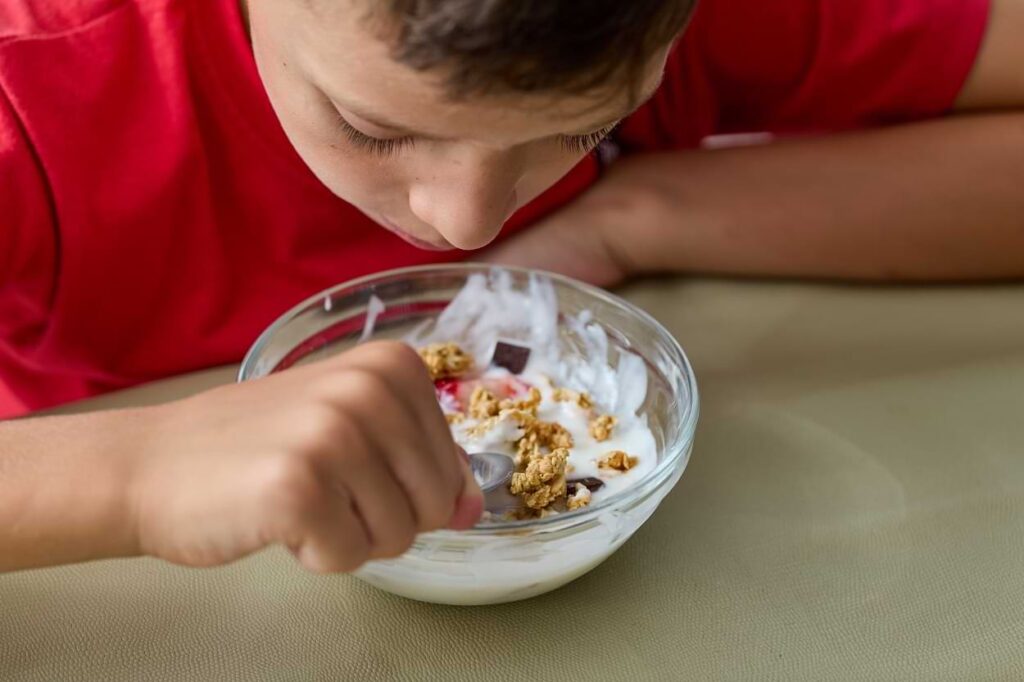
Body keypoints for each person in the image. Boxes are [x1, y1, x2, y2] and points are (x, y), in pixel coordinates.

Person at [0, 0, 1021, 573]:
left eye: (575, 132)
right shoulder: (32, 89)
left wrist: (644, 208)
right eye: (371, 127)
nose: (467, 221)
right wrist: (136, 474)